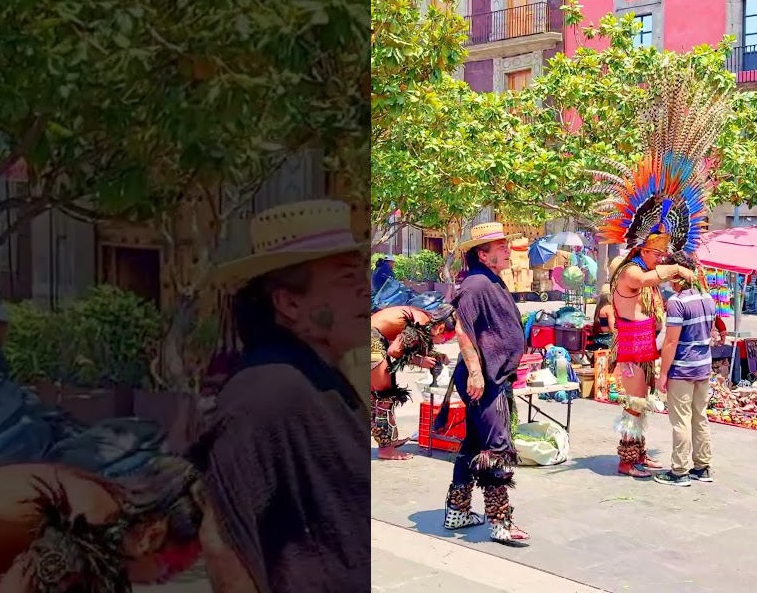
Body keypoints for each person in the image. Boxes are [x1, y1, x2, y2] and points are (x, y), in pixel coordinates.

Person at [188, 199, 369, 592]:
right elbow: (222, 541)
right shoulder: (267, 390)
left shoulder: (316, 375)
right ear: (289, 303)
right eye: (345, 278)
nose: (366, 291)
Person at [596, 66, 728, 479]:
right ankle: (627, 460)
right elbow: (659, 277)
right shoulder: (632, 273)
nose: (662, 258)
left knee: (642, 401)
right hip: (633, 346)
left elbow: (665, 277)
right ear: (646, 248)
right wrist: (682, 270)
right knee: (634, 402)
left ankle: (637, 455)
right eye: (658, 252)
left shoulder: (644, 267)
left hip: (641, 344)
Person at [0, 456, 202, 592]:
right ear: (152, 536)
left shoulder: (101, 503)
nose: (164, 580)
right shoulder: (91, 526)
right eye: (170, 569)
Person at [434, 222, 529, 545]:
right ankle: (500, 522)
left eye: (505, 244)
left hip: (492, 376)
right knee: (497, 449)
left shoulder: (490, 279)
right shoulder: (475, 284)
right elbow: (461, 327)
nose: (505, 249)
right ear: (482, 253)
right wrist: (476, 372)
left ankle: (457, 512)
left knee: (473, 445)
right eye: (499, 245)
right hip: (483, 380)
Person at [653, 253, 717, 487]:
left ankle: (679, 471)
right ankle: (702, 467)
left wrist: (663, 374)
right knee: (700, 417)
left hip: (682, 369)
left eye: (670, 275)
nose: (668, 281)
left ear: (677, 276)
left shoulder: (677, 303)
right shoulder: (708, 298)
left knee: (681, 421)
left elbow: (670, 342)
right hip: (703, 367)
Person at [370, 303, 455, 461]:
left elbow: (404, 345)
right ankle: (386, 449)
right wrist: (419, 361)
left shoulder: (423, 320)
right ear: (441, 327)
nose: (443, 342)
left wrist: (434, 355)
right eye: (446, 338)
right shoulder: (421, 321)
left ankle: (388, 441)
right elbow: (394, 350)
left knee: (375, 396)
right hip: (371, 341)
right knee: (385, 396)